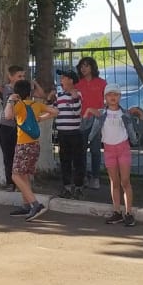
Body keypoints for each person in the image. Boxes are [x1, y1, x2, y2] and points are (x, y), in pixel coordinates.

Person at [89, 83, 143, 227]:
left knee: (125, 181)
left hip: (123, 148)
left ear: (120, 97)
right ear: (105, 97)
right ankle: (117, 211)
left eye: (116, 94)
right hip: (109, 149)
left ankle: (128, 212)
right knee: (114, 182)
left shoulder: (125, 113)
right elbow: (92, 129)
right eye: (109, 94)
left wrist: (138, 116)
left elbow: (135, 129)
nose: (113, 97)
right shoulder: (101, 114)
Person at [4, 79, 56, 221]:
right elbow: (54, 111)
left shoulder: (20, 105)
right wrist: (40, 118)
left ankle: (35, 204)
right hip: (34, 144)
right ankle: (26, 205)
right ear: (30, 92)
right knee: (24, 175)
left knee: (15, 175)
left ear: (16, 93)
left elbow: (7, 116)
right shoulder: (36, 104)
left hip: (23, 145)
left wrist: (10, 101)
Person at [0, 65, 44, 191]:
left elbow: (41, 94)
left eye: (23, 76)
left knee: (21, 156)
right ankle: (10, 183)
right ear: (10, 77)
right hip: (6, 126)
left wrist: (34, 83)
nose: (22, 78)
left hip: (22, 127)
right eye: (19, 76)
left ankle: (21, 183)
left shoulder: (25, 89)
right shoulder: (4, 89)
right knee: (8, 155)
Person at [75, 57, 108, 190]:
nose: (83, 68)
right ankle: (82, 177)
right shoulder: (78, 84)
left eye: (86, 66)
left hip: (96, 119)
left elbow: (107, 101)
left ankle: (95, 178)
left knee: (95, 150)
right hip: (81, 119)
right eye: (82, 66)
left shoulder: (101, 83)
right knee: (81, 150)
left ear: (92, 67)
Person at [54, 70, 86, 198]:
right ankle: (66, 186)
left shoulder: (77, 94)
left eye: (64, 78)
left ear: (71, 80)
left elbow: (77, 112)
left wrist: (74, 98)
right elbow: (54, 110)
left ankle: (78, 187)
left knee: (78, 161)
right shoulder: (59, 95)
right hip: (62, 133)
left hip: (75, 133)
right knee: (65, 160)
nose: (61, 80)